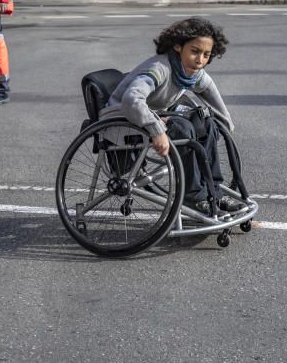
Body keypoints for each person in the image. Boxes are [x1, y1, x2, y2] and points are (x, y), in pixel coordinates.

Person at [101, 17, 245, 216]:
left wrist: (224, 122)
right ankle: (194, 197)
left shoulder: (190, 71)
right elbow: (131, 99)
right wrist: (156, 129)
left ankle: (214, 192)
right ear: (178, 46)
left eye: (206, 54)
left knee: (207, 123)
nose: (200, 60)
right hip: (122, 117)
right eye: (194, 51)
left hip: (155, 114)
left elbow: (208, 89)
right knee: (181, 128)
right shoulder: (160, 68)